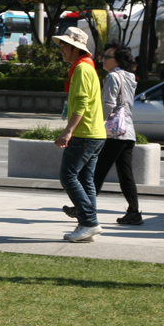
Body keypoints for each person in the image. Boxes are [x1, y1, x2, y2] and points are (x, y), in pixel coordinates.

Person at [52, 27, 106, 242]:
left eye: (63, 45)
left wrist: (68, 131)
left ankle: (89, 222)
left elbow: (82, 102)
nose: (61, 49)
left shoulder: (82, 69)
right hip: (94, 133)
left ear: (75, 47)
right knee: (85, 179)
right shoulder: (86, 67)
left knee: (68, 176)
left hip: (85, 134)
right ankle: (87, 224)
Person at [93, 43, 142, 225]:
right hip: (127, 132)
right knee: (125, 174)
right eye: (103, 56)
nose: (103, 60)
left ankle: (83, 208)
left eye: (107, 57)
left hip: (113, 133)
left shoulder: (113, 77)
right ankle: (134, 212)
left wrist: (98, 124)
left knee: (98, 172)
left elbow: (107, 104)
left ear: (119, 60)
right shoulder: (129, 77)